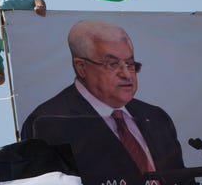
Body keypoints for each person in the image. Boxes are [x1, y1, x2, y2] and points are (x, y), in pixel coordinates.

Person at [21, 20, 192, 185]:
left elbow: (181, 179)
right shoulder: (48, 122)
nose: (126, 74)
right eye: (112, 64)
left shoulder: (155, 117)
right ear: (81, 67)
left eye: (130, 64)